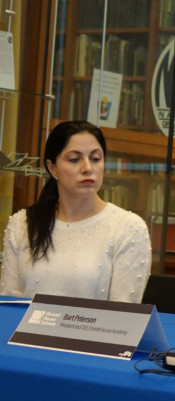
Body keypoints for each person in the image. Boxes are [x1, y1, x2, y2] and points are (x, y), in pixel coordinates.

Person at [0, 121, 151, 303]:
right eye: (74, 159)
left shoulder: (128, 228)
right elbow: (8, 305)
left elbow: (122, 317)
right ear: (52, 167)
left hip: (97, 331)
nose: (88, 168)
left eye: (95, 159)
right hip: (25, 331)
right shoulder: (22, 223)